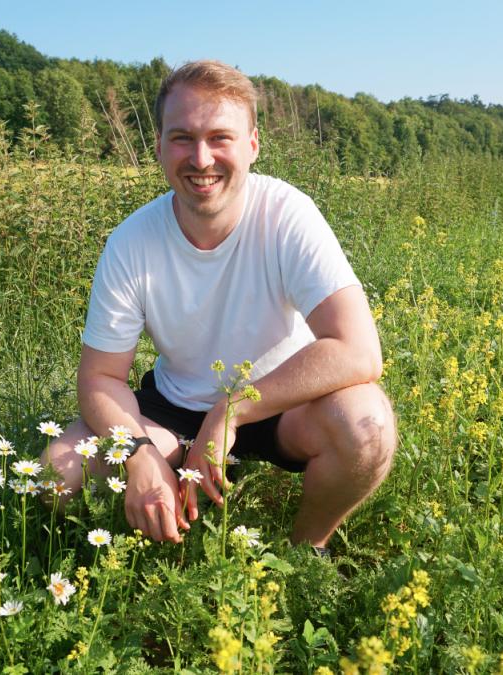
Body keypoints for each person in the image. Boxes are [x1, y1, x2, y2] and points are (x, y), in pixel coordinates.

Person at [43, 60, 395, 550]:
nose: (201, 158)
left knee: (368, 425)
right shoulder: (131, 242)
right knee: (54, 477)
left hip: (282, 405)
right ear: (160, 147)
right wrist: (138, 455)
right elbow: (99, 379)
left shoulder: (286, 215)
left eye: (220, 138)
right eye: (182, 137)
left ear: (252, 144)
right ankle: (167, 502)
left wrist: (230, 411)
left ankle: (308, 550)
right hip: (173, 412)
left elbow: (359, 351)